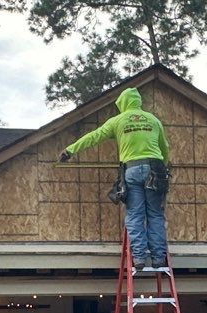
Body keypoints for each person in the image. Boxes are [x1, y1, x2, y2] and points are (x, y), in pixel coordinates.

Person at [60, 87, 171, 273]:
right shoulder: (153, 120)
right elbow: (164, 147)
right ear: (138, 102)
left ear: (122, 103)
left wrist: (70, 150)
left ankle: (139, 258)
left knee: (135, 214)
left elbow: (94, 136)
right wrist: (163, 168)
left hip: (132, 169)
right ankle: (159, 258)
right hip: (155, 168)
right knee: (154, 214)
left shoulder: (118, 121)